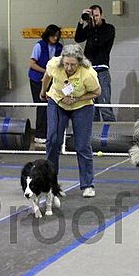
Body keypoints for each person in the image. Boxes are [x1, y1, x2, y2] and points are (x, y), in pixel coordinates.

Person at [40, 44, 101, 197]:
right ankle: (50, 183)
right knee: (53, 140)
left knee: (82, 145)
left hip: (82, 105)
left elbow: (96, 92)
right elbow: (47, 76)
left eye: (73, 64)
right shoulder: (54, 64)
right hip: (57, 101)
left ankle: (88, 185)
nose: (69, 67)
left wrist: (77, 98)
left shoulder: (88, 74)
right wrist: (43, 92)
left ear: (79, 62)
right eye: (66, 63)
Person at [74, 4, 116, 122]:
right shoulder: (89, 29)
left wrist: (92, 27)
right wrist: (82, 21)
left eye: (97, 16)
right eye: (93, 16)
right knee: (91, 107)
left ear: (102, 15)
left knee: (104, 105)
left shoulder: (109, 28)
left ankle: (112, 135)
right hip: (89, 71)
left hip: (102, 71)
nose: (95, 18)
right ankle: (93, 137)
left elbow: (99, 43)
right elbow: (78, 38)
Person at [29, 24, 63, 144]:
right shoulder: (39, 46)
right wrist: (46, 72)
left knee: (52, 106)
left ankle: (52, 133)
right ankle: (39, 134)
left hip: (53, 80)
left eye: (57, 36)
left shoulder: (59, 47)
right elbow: (32, 64)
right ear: (48, 35)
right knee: (41, 105)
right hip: (37, 79)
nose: (55, 38)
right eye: (53, 36)